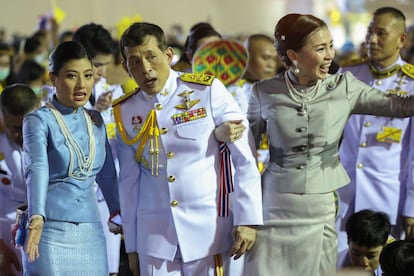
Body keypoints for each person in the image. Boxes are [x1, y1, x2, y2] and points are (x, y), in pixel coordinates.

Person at [214, 13, 414, 275]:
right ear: (294, 56)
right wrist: (218, 132)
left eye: (330, 45)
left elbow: (400, 107)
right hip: (271, 206)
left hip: (320, 209)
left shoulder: (345, 87)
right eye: (320, 49)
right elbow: (245, 155)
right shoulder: (263, 91)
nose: (330, 55)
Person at [115, 22, 263, 276]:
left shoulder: (205, 90)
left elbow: (244, 159)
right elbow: (128, 183)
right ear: (126, 68)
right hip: (154, 237)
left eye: (151, 57)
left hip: (207, 231)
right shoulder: (125, 110)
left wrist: (247, 219)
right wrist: (132, 246)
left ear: (169, 55)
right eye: (135, 61)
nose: (146, 68)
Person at [21, 41, 121, 275]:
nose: (81, 84)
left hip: (91, 230)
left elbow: (106, 175)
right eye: (71, 76)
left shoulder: (96, 120)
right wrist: (36, 216)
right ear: (52, 78)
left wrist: (118, 212)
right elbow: (36, 168)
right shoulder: (39, 120)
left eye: (87, 75)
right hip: (48, 228)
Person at [336, 7, 414, 255]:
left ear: (402, 40)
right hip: (343, 191)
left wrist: (411, 206)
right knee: (338, 261)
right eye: (370, 32)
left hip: (388, 197)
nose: (372, 39)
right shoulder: (348, 74)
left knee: (381, 264)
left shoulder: (411, 83)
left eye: (381, 33)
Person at [72, 23, 123, 275]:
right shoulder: (57, 91)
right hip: (77, 197)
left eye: (105, 64)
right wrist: (96, 113)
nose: (102, 71)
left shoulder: (107, 91)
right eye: (97, 64)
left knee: (110, 266)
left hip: (106, 193)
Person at [0, 84, 40, 276]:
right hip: (5, 234)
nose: (22, 134)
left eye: (28, 125)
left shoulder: (59, 138)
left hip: (50, 234)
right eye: (15, 128)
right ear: (2, 119)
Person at [337, 209, 393, 275]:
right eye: (356, 254)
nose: (363, 262)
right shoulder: (328, 265)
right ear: (348, 242)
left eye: (371, 255)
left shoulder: (395, 269)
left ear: (384, 248)